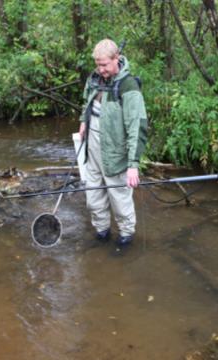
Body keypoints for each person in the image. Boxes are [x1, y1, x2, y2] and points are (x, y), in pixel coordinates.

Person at [78, 39, 148, 247]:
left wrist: (133, 165)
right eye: (98, 65)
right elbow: (86, 102)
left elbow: (138, 126)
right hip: (93, 150)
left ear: (116, 59)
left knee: (119, 200)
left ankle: (126, 237)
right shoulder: (95, 79)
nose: (101, 70)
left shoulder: (129, 86)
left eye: (105, 65)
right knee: (93, 198)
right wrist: (83, 121)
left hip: (116, 154)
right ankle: (102, 233)